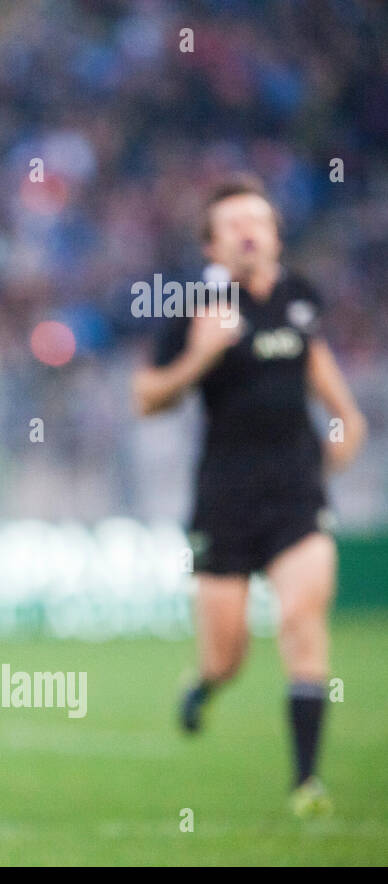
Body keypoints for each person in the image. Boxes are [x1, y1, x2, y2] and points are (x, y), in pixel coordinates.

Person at [133, 175, 367, 817]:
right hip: (224, 500)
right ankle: (205, 685)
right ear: (211, 245)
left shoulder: (300, 296)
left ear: (274, 234)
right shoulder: (192, 307)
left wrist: (346, 423)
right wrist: (201, 356)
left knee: (301, 619)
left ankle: (306, 783)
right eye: (233, 224)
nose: (247, 232)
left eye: (258, 220)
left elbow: (318, 368)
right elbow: (147, 399)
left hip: (296, 494)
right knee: (227, 655)